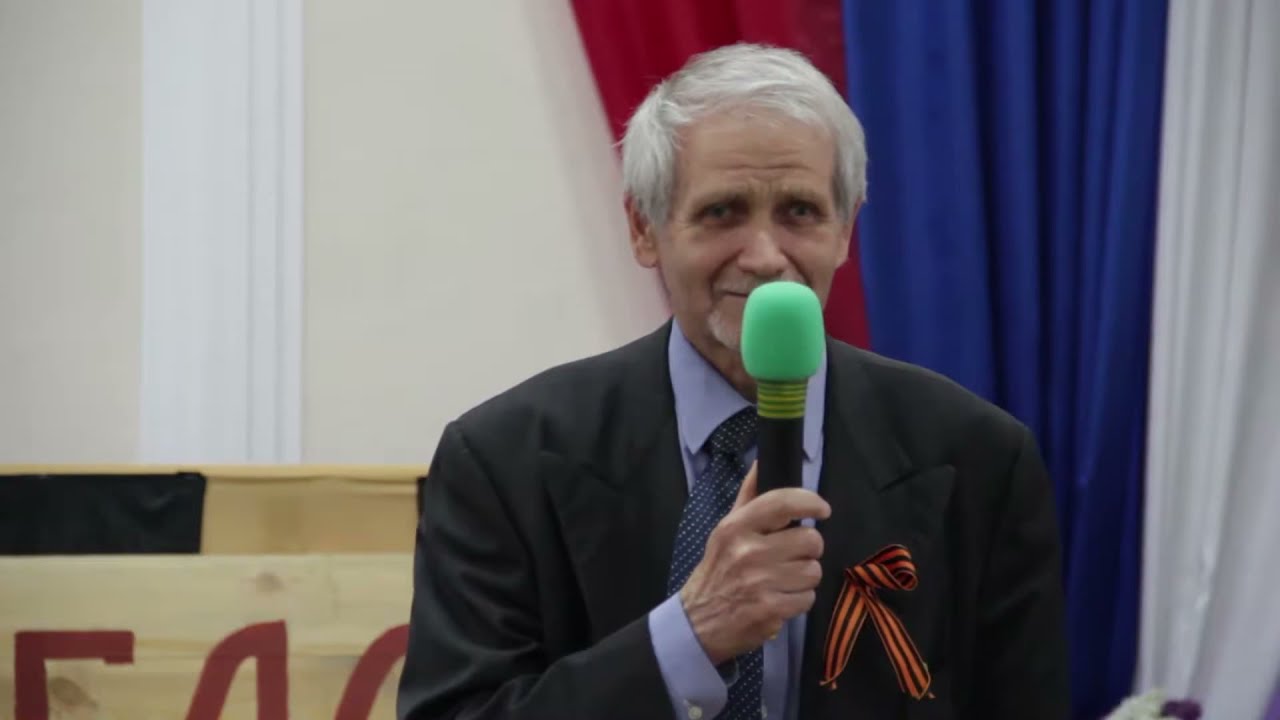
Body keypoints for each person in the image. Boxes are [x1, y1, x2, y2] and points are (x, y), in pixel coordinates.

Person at [397, 43, 1069, 720]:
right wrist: (690, 636)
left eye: (799, 212)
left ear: (845, 229)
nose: (766, 256)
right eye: (723, 212)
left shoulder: (978, 456)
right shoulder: (503, 460)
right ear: (644, 229)